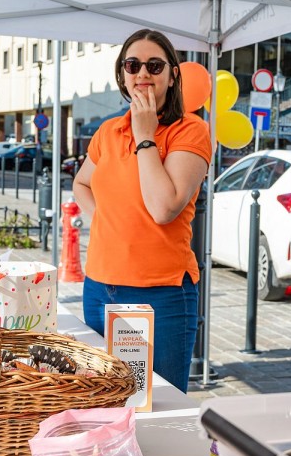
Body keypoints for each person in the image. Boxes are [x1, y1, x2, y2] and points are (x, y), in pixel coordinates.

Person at [73, 29, 210, 393]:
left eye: (155, 65)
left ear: (172, 75)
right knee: (106, 402)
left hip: (159, 295)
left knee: (156, 406)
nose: (143, 74)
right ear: (121, 74)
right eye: (133, 65)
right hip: (100, 287)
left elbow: (164, 207)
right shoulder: (108, 131)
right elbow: (81, 184)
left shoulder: (190, 130)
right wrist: (105, 221)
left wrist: (146, 135)